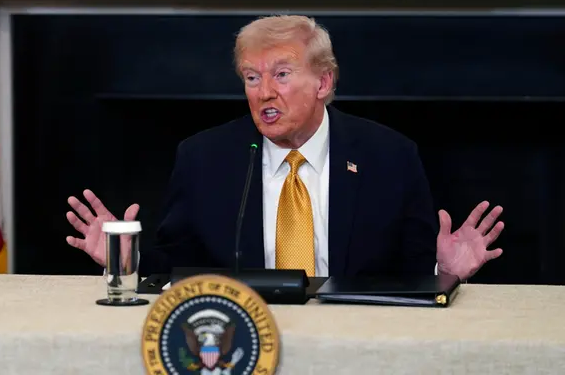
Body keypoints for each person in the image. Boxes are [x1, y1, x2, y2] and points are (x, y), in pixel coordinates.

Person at [65, 15, 504, 280]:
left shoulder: (389, 156)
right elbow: (180, 265)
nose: (264, 93)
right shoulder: (204, 158)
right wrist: (127, 261)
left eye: (281, 74)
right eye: (252, 78)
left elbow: (410, 276)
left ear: (324, 82)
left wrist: (442, 271)